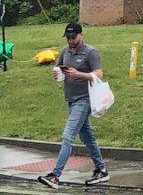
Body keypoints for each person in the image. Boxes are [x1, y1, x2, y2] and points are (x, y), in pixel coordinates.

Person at [37, 22, 109, 188]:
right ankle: (101, 170)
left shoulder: (90, 52)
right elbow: (59, 67)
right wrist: (58, 73)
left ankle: (55, 175)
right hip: (71, 98)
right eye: (68, 37)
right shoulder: (65, 51)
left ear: (81, 35)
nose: (70, 41)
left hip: (84, 99)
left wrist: (79, 74)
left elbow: (99, 74)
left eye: (73, 37)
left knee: (67, 136)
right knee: (87, 137)